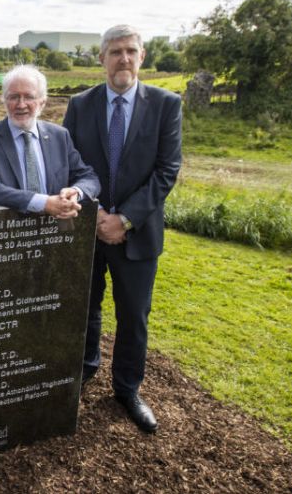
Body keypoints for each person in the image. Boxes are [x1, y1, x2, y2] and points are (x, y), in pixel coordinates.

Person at [62, 25, 182, 433]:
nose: (123, 59)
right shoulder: (80, 104)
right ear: (102, 58)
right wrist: (95, 216)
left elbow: (167, 171)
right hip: (88, 230)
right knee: (86, 308)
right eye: (115, 52)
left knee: (134, 317)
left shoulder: (166, 105)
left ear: (143, 56)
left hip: (138, 233)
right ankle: (84, 370)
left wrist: (124, 219)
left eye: (131, 51)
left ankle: (128, 389)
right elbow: (71, 161)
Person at [0, 64, 99, 217]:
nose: (21, 104)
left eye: (29, 97)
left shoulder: (59, 136)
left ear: (42, 102)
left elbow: (88, 177)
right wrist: (43, 203)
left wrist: (76, 192)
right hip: (10, 234)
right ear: (4, 101)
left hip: (56, 232)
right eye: (13, 97)